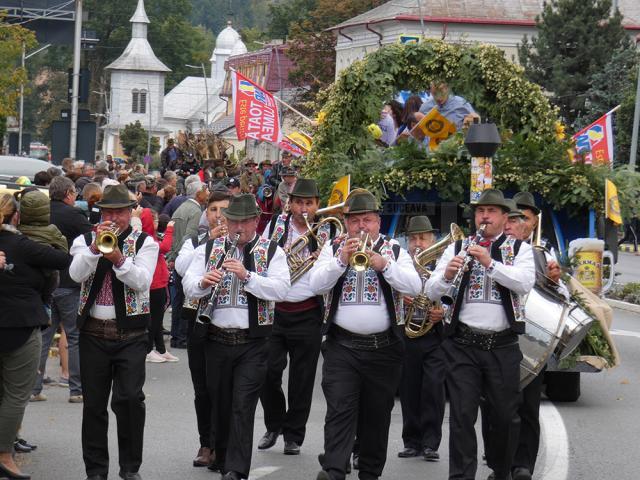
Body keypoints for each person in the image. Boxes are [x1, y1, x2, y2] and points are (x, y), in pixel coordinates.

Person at [309, 190, 421, 480]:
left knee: (376, 414)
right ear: (346, 222)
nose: (361, 227)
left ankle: (370, 472)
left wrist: (384, 265)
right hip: (341, 346)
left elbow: (414, 286)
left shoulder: (395, 249)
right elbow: (315, 285)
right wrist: (340, 261)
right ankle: (333, 469)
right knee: (339, 408)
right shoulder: (332, 247)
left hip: (383, 349)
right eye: (355, 220)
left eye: (367, 220)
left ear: (378, 222)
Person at [425, 189, 535, 480]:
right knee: (461, 416)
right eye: (480, 211)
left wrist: (489, 263)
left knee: (505, 417)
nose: (484, 216)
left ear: (503, 217)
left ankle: (500, 471)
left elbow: (524, 283)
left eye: (491, 211)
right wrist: (447, 275)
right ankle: (461, 476)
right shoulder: (457, 246)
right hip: (463, 344)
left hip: (502, 345)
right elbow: (431, 290)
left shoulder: (520, 249)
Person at [182, 194, 290, 480]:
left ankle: (236, 469)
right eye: (234, 222)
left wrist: (248, 276)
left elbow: (281, 289)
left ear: (256, 221)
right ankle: (222, 456)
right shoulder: (208, 249)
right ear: (226, 222)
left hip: (253, 343)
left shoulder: (272, 251)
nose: (238, 227)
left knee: (243, 405)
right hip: (215, 339)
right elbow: (188, 285)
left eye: (245, 221)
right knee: (220, 403)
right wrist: (203, 282)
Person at [69, 184, 159, 480]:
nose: (115, 217)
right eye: (109, 211)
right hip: (93, 333)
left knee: (131, 400)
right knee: (94, 405)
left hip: (130, 335)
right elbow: (75, 274)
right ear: (101, 212)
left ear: (131, 212)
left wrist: (119, 258)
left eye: (120, 211)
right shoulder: (84, 240)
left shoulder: (146, 242)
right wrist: (96, 249)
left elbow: (142, 282)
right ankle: (96, 471)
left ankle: (130, 468)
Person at [258, 179, 338, 456]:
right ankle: (274, 423)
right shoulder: (275, 226)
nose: (303, 208)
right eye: (299, 203)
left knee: (302, 379)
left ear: (317, 205)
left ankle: (294, 435)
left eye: (309, 203)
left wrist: (322, 259)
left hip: (308, 312)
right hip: (275, 310)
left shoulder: (328, 230)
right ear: (290, 203)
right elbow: (262, 257)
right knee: (267, 371)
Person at [0, 193, 70, 480]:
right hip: (20, 324)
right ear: (16, 217)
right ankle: (4, 454)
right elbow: (63, 260)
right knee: (16, 394)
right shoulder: (21, 244)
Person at [175, 189, 231, 468]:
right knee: (202, 388)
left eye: (224, 210)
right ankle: (205, 443)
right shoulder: (194, 241)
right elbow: (182, 268)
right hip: (198, 319)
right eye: (213, 210)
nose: (219, 215)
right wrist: (208, 241)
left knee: (222, 387)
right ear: (205, 213)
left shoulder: (239, 243)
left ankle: (222, 443)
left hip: (228, 322)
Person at [31, 176, 93, 404]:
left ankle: (34, 389)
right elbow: (92, 239)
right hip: (69, 282)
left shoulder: (41, 212)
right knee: (75, 336)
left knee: (43, 338)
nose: (75, 196)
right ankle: (76, 390)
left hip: (43, 283)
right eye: (74, 193)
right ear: (68, 193)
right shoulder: (75, 215)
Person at [398, 216, 447, 462]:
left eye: (423, 238)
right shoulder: (403, 263)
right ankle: (411, 441)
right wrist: (401, 298)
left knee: (433, 388)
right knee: (409, 388)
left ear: (433, 240)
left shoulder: (442, 264)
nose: (418, 243)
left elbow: (453, 294)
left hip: (435, 335)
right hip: (408, 334)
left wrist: (444, 312)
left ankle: (430, 442)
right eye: (413, 239)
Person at [167, 180, 209, 349]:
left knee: (178, 301)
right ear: (198, 193)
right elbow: (190, 237)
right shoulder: (195, 211)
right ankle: (181, 337)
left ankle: (176, 336)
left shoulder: (181, 207)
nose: (207, 192)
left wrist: (172, 256)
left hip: (177, 257)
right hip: (184, 259)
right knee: (185, 301)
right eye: (205, 190)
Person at [136, 208, 178, 363]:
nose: (157, 222)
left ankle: (161, 348)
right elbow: (165, 247)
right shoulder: (147, 239)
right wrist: (170, 230)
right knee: (154, 319)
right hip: (154, 284)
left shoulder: (151, 237)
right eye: (153, 220)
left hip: (159, 282)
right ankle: (148, 349)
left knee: (158, 319)